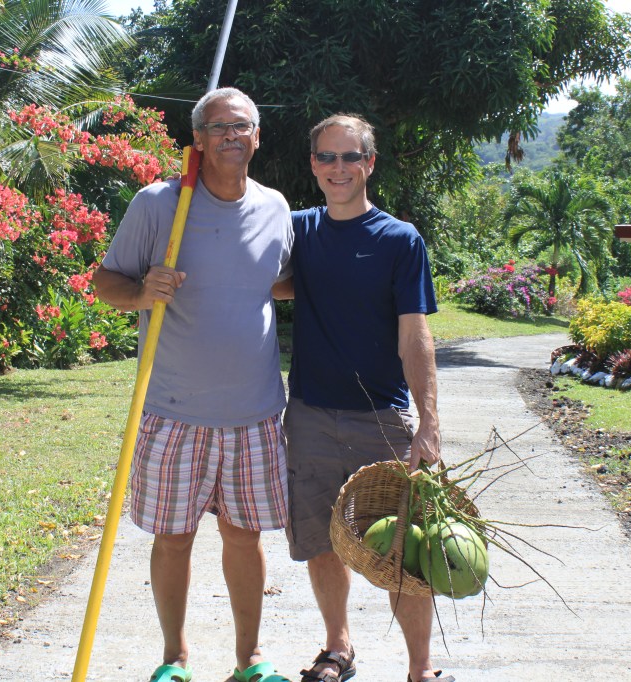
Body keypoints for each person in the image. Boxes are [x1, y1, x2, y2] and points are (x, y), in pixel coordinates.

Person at [93, 87, 293, 682]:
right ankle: (174, 659)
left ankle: (249, 660)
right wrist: (140, 291)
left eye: (242, 126)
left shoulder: (276, 207)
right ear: (198, 140)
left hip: (254, 411)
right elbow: (105, 282)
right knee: (173, 538)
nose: (232, 135)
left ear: (257, 137)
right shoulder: (159, 206)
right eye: (218, 126)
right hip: (171, 409)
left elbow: (275, 281)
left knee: (244, 533)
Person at [280, 114, 450, 682]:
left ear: (370, 163)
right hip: (307, 415)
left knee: (403, 548)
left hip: (381, 419)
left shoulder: (399, 239)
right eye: (327, 157)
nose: (338, 168)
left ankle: (420, 669)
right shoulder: (299, 230)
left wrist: (427, 422)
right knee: (323, 541)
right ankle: (338, 648)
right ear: (313, 165)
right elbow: (249, 262)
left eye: (350, 157)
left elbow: (415, 334)